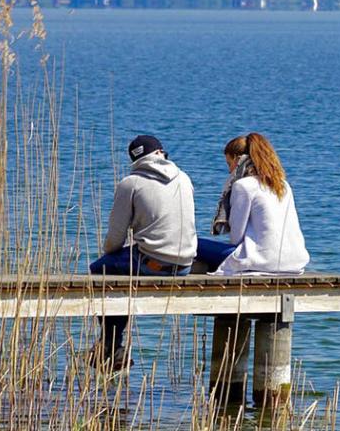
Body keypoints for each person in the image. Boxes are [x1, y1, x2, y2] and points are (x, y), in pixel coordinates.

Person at [88, 134, 197, 369]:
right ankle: (112, 347)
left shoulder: (131, 183)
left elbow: (114, 240)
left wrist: (109, 252)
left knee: (99, 269)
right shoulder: (184, 178)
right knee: (121, 269)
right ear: (161, 153)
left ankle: (111, 344)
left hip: (153, 262)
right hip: (186, 264)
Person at [195, 133, 309, 275]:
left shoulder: (243, 186)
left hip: (263, 261)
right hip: (294, 262)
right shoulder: (283, 185)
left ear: (238, 160)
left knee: (193, 243)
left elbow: (236, 237)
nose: (229, 170)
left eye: (229, 164)